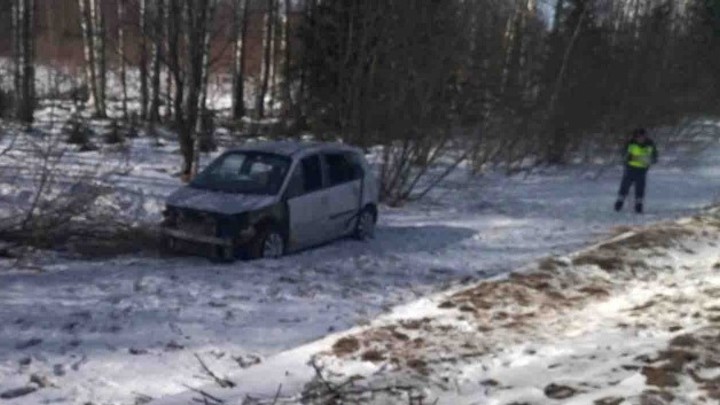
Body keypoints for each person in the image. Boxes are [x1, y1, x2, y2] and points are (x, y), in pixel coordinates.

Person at [614, 128, 658, 214]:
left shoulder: (650, 145)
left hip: (642, 170)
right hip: (630, 168)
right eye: (639, 137)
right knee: (625, 186)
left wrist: (639, 159)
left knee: (640, 187)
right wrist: (639, 159)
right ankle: (619, 202)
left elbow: (654, 158)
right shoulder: (630, 144)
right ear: (635, 137)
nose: (641, 139)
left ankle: (639, 205)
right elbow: (624, 156)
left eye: (643, 137)